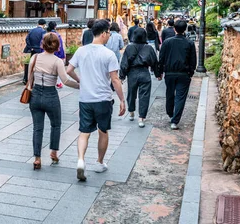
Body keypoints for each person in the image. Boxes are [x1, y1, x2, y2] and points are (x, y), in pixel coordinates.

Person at [67, 20, 126, 181]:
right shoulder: (109, 54)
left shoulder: (81, 51)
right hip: (103, 98)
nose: (109, 36)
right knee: (103, 130)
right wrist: (122, 99)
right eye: (108, 33)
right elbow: (115, 79)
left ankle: (80, 160)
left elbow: (68, 70)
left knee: (84, 132)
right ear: (103, 33)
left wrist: (80, 80)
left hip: (85, 98)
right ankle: (99, 162)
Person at [28, 33, 79, 170]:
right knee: (56, 125)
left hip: (35, 95)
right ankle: (54, 152)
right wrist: (80, 85)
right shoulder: (57, 61)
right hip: (51, 95)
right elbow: (66, 80)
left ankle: (37, 158)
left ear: (42, 44)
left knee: (37, 128)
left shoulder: (35, 57)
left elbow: (29, 78)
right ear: (57, 46)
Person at [158, 20, 197, 130]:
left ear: (174, 29)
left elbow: (161, 58)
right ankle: (175, 121)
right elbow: (193, 60)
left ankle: (170, 113)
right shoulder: (189, 43)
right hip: (184, 73)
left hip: (170, 73)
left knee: (170, 93)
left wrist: (160, 71)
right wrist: (191, 72)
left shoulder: (167, 42)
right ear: (185, 29)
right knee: (181, 97)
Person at [119, 28, 162, 128]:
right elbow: (155, 62)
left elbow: (124, 63)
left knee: (131, 93)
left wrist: (122, 76)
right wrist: (157, 74)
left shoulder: (129, 48)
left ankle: (131, 111)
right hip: (144, 72)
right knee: (144, 96)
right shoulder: (149, 48)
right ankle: (141, 118)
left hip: (132, 73)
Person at [23, 19, 46, 84]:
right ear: (44, 25)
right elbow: (43, 41)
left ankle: (26, 79)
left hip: (33, 50)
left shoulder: (32, 31)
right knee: (40, 65)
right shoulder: (43, 32)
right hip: (40, 50)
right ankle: (37, 79)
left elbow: (27, 39)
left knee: (31, 64)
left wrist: (31, 47)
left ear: (38, 23)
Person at [45, 21, 66, 88]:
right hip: (56, 54)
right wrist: (62, 55)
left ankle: (48, 82)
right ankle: (58, 83)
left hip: (47, 54)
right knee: (57, 69)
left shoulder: (46, 35)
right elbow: (60, 46)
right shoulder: (57, 35)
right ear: (55, 27)